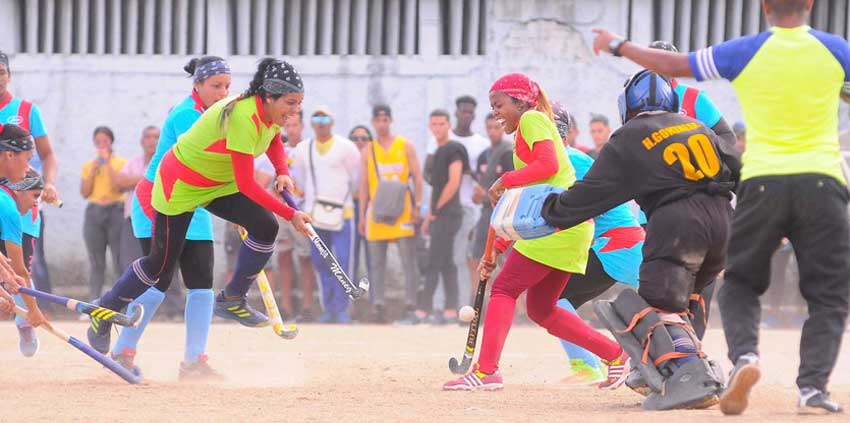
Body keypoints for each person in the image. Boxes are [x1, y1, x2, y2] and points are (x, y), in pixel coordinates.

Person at [592, 0, 850, 414]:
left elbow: (675, 66)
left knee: (741, 283)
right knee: (828, 295)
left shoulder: (746, 50)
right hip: (820, 181)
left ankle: (744, 356)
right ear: (809, 4)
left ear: (765, 6)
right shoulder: (836, 50)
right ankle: (812, 390)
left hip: (761, 181)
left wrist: (619, 44)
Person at [87, 58, 312, 373]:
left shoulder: (271, 111)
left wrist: (281, 171)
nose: (293, 112)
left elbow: (273, 138)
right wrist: (292, 213)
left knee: (261, 228)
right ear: (269, 96)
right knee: (158, 270)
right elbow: (247, 182)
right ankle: (105, 311)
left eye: (299, 104)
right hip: (178, 187)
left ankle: (230, 301)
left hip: (216, 185)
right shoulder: (235, 115)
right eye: (290, 103)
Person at [542, 72, 738, 409]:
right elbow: (736, 166)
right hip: (722, 222)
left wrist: (552, 211)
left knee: (648, 307)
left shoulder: (630, 134)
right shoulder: (697, 128)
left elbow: (595, 191)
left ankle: (689, 376)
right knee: (685, 301)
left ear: (625, 106)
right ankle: (688, 365)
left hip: (677, 223)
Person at [442, 73, 629, 391]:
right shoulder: (527, 129)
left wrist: (505, 180)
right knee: (542, 309)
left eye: (499, 105)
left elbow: (549, 166)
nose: (496, 113)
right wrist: (494, 248)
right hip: (566, 226)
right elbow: (522, 203)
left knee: (503, 289)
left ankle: (487, 372)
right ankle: (617, 356)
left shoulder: (532, 120)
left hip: (559, 225)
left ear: (520, 101)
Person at [113, 56, 232, 379]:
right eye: (215, 86)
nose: (223, 93)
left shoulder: (219, 115)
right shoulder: (186, 115)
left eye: (227, 86)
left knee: (202, 281)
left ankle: (194, 361)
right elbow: (211, 162)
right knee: (158, 279)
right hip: (158, 198)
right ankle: (123, 350)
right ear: (198, 86)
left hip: (193, 201)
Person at [550, 103, 645, 386]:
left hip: (617, 246)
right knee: (557, 299)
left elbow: (580, 212)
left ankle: (593, 363)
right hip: (613, 247)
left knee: (553, 298)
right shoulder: (561, 160)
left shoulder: (569, 160)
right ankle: (589, 364)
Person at [0, 51, 60, 309]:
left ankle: (28, 316)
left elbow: (48, 155)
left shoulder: (26, 110)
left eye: (1, 73)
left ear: (9, 76)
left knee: (19, 261)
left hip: (22, 190)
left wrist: (48, 184)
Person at [291, 106, 360, 324]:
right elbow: (299, 179)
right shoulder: (302, 149)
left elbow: (356, 178)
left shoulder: (347, 148)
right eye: (316, 118)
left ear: (332, 121)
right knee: (321, 262)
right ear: (311, 123)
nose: (320, 122)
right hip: (314, 214)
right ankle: (328, 307)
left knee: (342, 260)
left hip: (343, 212)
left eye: (324, 118)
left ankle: (342, 308)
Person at [360, 104, 423, 324]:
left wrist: (418, 206)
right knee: (376, 262)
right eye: (378, 120)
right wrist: (361, 216)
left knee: (408, 261)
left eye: (385, 120)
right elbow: (364, 185)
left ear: (391, 121)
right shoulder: (369, 149)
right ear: (373, 123)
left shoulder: (405, 145)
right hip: (377, 212)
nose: (382, 124)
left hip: (403, 209)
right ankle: (377, 305)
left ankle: (410, 305)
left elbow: (417, 176)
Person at [426, 96, 490, 308]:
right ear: (456, 113)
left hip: (468, 209)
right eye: (463, 111)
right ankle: (438, 306)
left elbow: (482, 176)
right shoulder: (439, 139)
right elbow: (429, 173)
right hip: (442, 206)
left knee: (458, 258)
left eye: (470, 112)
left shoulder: (481, 143)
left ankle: (459, 307)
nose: (466, 115)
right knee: (439, 257)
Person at [259, 112, 317, 322]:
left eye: (295, 125)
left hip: (303, 209)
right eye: (288, 125)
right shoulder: (278, 151)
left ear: (302, 126)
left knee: (305, 258)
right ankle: (285, 305)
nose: (291, 129)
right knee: (283, 256)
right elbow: (264, 180)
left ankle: (308, 305)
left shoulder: (309, 150)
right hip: (282, 212)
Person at [416, 109, 469, 322]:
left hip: (450, 214)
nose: (438, 128)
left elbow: (454, 182)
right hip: (439, 214)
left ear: (449, 125)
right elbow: (437, 188)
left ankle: (422, 311)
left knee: (434, 262)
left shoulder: (454, 149)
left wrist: (436, 211)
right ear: (430, 127)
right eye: (434, 124)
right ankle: (449, 311)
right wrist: (429, 216)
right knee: (446, 262)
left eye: (441, 124)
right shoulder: (437, 152)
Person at [0, 124, 46, 356]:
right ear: (9, 154)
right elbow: (20, 270)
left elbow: (13, 272)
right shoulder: (7, 207)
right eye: (27, 159)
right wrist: (33, 311)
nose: (28, 168)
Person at [79, 126, 127, 300]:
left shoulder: (120, 163)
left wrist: (108, 163)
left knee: (118, 260)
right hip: (94, 212)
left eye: (105, 141)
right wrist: (93, 169)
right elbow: (85, 192)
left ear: (111, 142)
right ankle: (94, 301)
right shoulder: (88, 165)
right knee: (96, 261)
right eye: (98, 142)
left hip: (116, 211)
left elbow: (119, 187)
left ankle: (118, 302)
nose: (101, 145)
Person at [471, 113, 513, 264]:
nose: (492, 131)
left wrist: (486, 195)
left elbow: (514, 188)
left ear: (502, 128)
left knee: (506, 257)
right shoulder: (484, 156)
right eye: (489, 127)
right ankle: (480, 288)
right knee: (477, 253)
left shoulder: (508, 153)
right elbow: (479, 186)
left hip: (506, 212)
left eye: (496, 127)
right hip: (487, 212)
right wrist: (478, 196)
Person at [116, 125, 159, 270]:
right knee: (131, 264)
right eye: (148, 137)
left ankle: (170, 294)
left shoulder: (164, 161)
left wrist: (134, 181)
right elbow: (119, 183)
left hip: (160, 221)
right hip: (133, 221)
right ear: (142, 141)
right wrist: (149, 179)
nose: (152, 141)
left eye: (156, 137)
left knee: (162, 265)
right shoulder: (133, 162)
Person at [348, 125, 373, 285]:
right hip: (350, 209)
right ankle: (350, 298)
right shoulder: (346, 160)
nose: (359, 142)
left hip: (371, 208)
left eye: (364, 138)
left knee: (373, 256)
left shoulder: (374, 159)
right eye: (355, 138)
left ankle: (374, 301)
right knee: (351, 256)